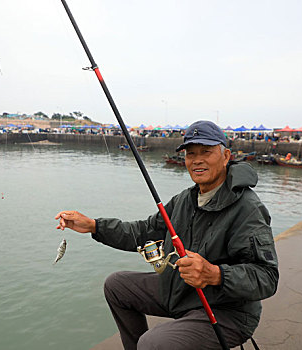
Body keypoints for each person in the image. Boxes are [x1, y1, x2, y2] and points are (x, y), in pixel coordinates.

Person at [55, 120, 279, 350]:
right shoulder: (184, 200)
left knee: (153, 343)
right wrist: (94, 226)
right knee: (116, 285)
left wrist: (215, 274)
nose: (197, 160)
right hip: (183, 293)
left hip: (228, 312)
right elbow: (142, 232)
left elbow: (267, 277)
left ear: (226, 156)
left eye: (206, 152)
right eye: (190, 154)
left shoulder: (248, 208)